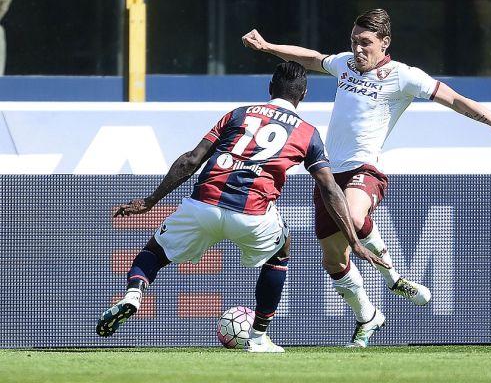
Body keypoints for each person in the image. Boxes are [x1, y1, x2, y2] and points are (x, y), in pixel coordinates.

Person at [242, 8, 491, 347]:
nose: (357, 50)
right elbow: (313, 58)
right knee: (333, 260)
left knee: (354, 216)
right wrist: (267, 47)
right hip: (326, 173)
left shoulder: (404, 76)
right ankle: (368, 316)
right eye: (354, 41)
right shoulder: (345, 65)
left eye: (365, 43)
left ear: (385, 43)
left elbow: (456, 99)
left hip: (364, 168)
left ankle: (393, 277)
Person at [96, 61, 386, 352]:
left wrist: (149, 202)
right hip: (252, 215)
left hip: (203, 204)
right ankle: (258, 337)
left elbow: (191, 161)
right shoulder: (307, 133)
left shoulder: (238, 114)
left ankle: (134, 293)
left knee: (154, 252)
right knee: (281, 250)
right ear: (304, 95)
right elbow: (329, 188)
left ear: (270, 88)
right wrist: (354, 241)